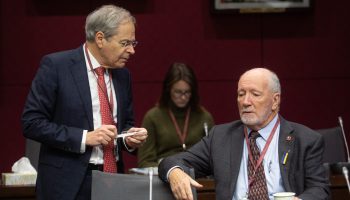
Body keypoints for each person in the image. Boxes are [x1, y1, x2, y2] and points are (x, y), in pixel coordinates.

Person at [21, 5, 148, 200]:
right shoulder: (56, 67)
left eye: (133, 43)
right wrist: (84, 138)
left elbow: (124, 125)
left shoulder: (123, 76)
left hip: (112, 179)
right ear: (100, 39)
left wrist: (129, 139)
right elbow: (32, 123)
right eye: (125, 43)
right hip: (67, 185)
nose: (131, 50)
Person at [158, 68, 330, 200]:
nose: (246, 102)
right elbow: (172, 161)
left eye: (255, 94)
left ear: (275, 101)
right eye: (241, 94)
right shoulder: (221, 137)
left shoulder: (305, 140)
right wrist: (175, 172)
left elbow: (320, 190)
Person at [137, 62, 214, 168]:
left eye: (187, 92)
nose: (183, 97)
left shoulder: (204, 117)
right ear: (168, 90)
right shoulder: (152, 117)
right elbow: (145, 162)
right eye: (178, 92)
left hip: (197, 175)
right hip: (163, 176)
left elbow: (213, 158)